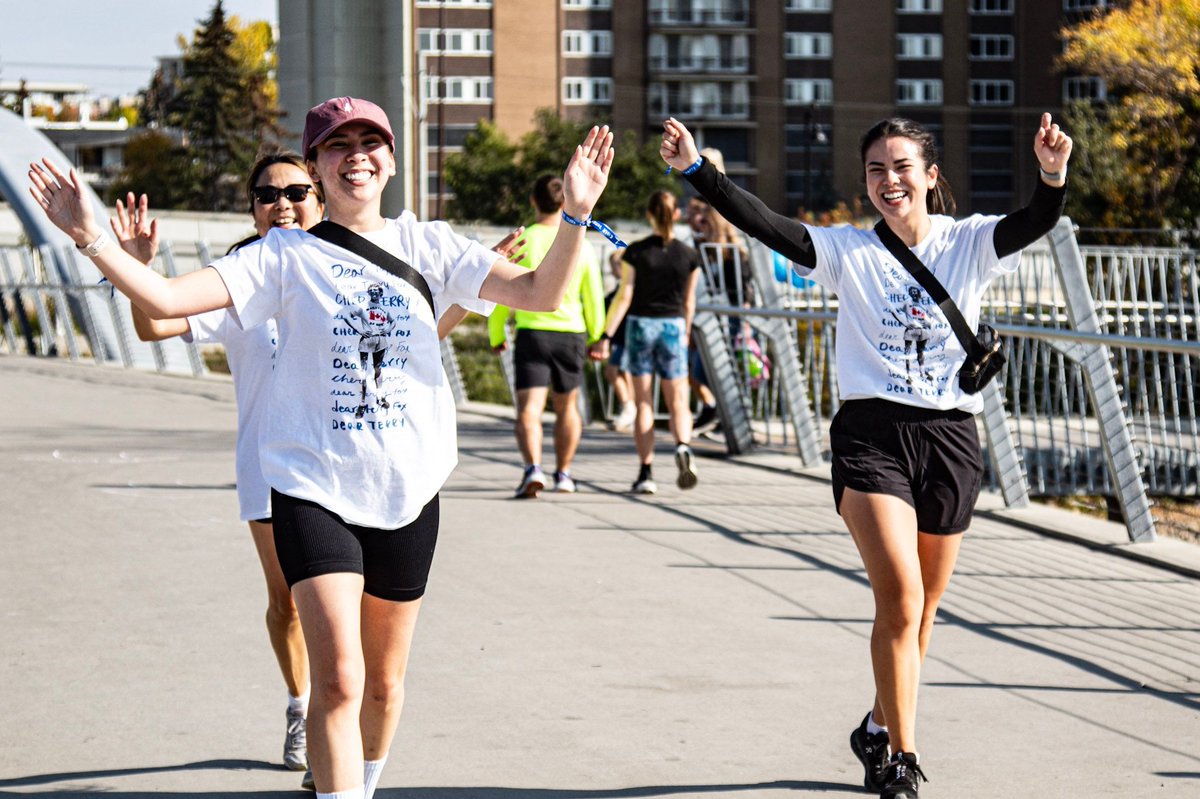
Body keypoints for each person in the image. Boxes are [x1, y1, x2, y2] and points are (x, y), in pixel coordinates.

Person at [30, 96, 614, 799]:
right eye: (338, 145)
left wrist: (576, 212)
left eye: (371, 142)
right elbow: (166, 301)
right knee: (338, 679)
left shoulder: (431, 246)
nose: (356, 155)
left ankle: (356, 783)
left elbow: (542, 292)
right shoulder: (281, 257)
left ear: (391, 161)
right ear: (317, 166)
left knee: (384, 684)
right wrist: (92, 239)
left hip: (406, 490)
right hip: (311, 486)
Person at [662, 112, 1071, 798]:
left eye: (902, 166)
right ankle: (902, 758)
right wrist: (697, 170)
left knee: (924, 609)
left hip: (951, 436)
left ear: (930, 176)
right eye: (876, 169)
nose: (889, 180)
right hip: (871, 437)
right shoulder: (847, 250)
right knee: (901, 598)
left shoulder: (968, 240)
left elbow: (1036, 219)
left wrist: (1052, 174)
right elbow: (765, 223)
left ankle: (877, 726)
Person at [112, 152, 324, 775]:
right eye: (267, 194)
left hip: (341, 465)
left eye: (296, 191)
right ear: (252, 209)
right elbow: (154, 327)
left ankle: (332, 727)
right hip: (268, 467)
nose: (282, 204)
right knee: (289, 602)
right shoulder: (236, 280)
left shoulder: (351, 268)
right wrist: (137, 269)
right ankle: (301, 704)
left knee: (342, 606)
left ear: (319, 198)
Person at [488, 174, 605, 497]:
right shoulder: (580, 243)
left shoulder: (523, 240)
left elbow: (503, 288)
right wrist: (597, 335)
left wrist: (496, 333)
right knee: (568, 408)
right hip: (571, 334)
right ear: (565, 201)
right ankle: (564, 474)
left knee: (529, 409)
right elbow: (592, 295)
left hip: (532, 332)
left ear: (533, 201)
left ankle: (533, 469)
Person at [597, 190, 701, 494]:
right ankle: (683, 445)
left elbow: (625, 296)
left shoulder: (636, 253)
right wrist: (685, 331)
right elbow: (689, 302)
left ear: (649, 215)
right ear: (677, 215)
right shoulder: (689, 255)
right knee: (678, 400)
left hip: (640, 326)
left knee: (643, 402)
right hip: (673, 327)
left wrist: (605, 335)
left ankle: (646, 473)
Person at [599, 247, 635, 432]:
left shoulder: (627, 289)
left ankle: (629, 408)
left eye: (614, 266)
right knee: (624, 373)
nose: (612, 270)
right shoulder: (622, 288)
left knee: (613, 371)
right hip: (623, 338)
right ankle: (630, 408)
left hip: (627, 337)